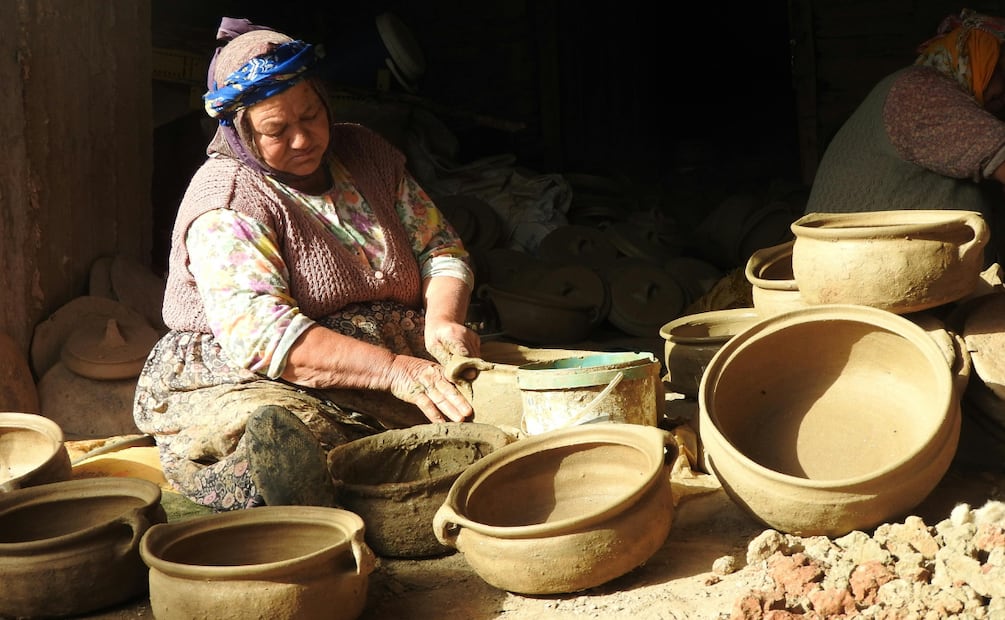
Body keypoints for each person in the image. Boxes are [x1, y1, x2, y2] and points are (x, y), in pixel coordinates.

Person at [134, 17, 480, 511]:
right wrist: (395, 372)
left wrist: (443, 320)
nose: (303, 139)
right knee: (296, 440)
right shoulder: (228, 201)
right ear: (241, 131)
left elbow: (439, 247)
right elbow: (265, 337)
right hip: (260, 373)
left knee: (492, 401)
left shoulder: (365, 151)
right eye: (277, 130)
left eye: (312, 115)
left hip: (388, 356)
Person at [804, 8, 1005, 265]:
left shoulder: (925, 92)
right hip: (863, 276)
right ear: (974, 59)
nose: (1003, 92)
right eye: (999, 69)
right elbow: (999, 152)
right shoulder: (919, 92)